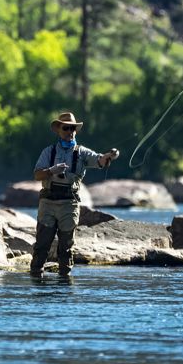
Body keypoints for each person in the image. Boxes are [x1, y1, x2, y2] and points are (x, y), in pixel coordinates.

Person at [29, 112, 120, 277]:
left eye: (73, 128)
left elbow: (99, 160)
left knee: (66, 246)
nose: (70, 131)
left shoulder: (82, 152)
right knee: (42, 244)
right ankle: (36, 277)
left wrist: (109, 156)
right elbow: (36, 175)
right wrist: (51, 171)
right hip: (48, 203)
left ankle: (65, 281)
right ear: (58, 130)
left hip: (69, 204)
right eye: (66, 128)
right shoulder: (48, 152)